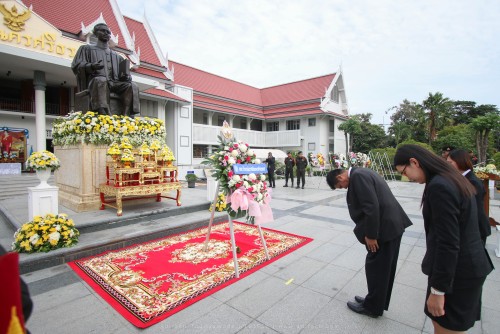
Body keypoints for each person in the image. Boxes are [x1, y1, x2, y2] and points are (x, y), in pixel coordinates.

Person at [394, 144, 493, 333]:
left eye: (404, 172)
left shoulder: (440, 186)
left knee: (445, 327)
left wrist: (438, 291)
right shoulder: (451, 178)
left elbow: (447, 242)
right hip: (467, 266)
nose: (407, 178)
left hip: (458, 273)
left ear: (414, 162)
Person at [326, 168, 413, 318]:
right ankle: (375, 300)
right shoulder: (363, 172)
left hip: (384, 229)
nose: (344, 188)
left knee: (377, 268)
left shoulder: (358, 176)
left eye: (340, 186)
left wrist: (371, 235)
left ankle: (372, 307)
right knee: (383, 269)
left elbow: (371, 207)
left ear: (340, 177)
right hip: (390, 225)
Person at [71, 23, 140, 117]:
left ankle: (126, 114)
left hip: (114, 83)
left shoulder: (117, 56)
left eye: (108, 32)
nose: (106, 33)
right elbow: (76, 65)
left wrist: (126, 77)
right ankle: (103, 112)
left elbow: (124, 76)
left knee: (132, 85)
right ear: (95, 33)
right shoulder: (86, 49)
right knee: (100, 80)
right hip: (96, 83)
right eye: (103, 31)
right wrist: (91, 66)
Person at [447, 149, 491, 245]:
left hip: (476, 228)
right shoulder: (463, 178)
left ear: (460, 161)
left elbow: (472, 208)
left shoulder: (472, 181)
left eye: (450, 162)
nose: (448, 165)